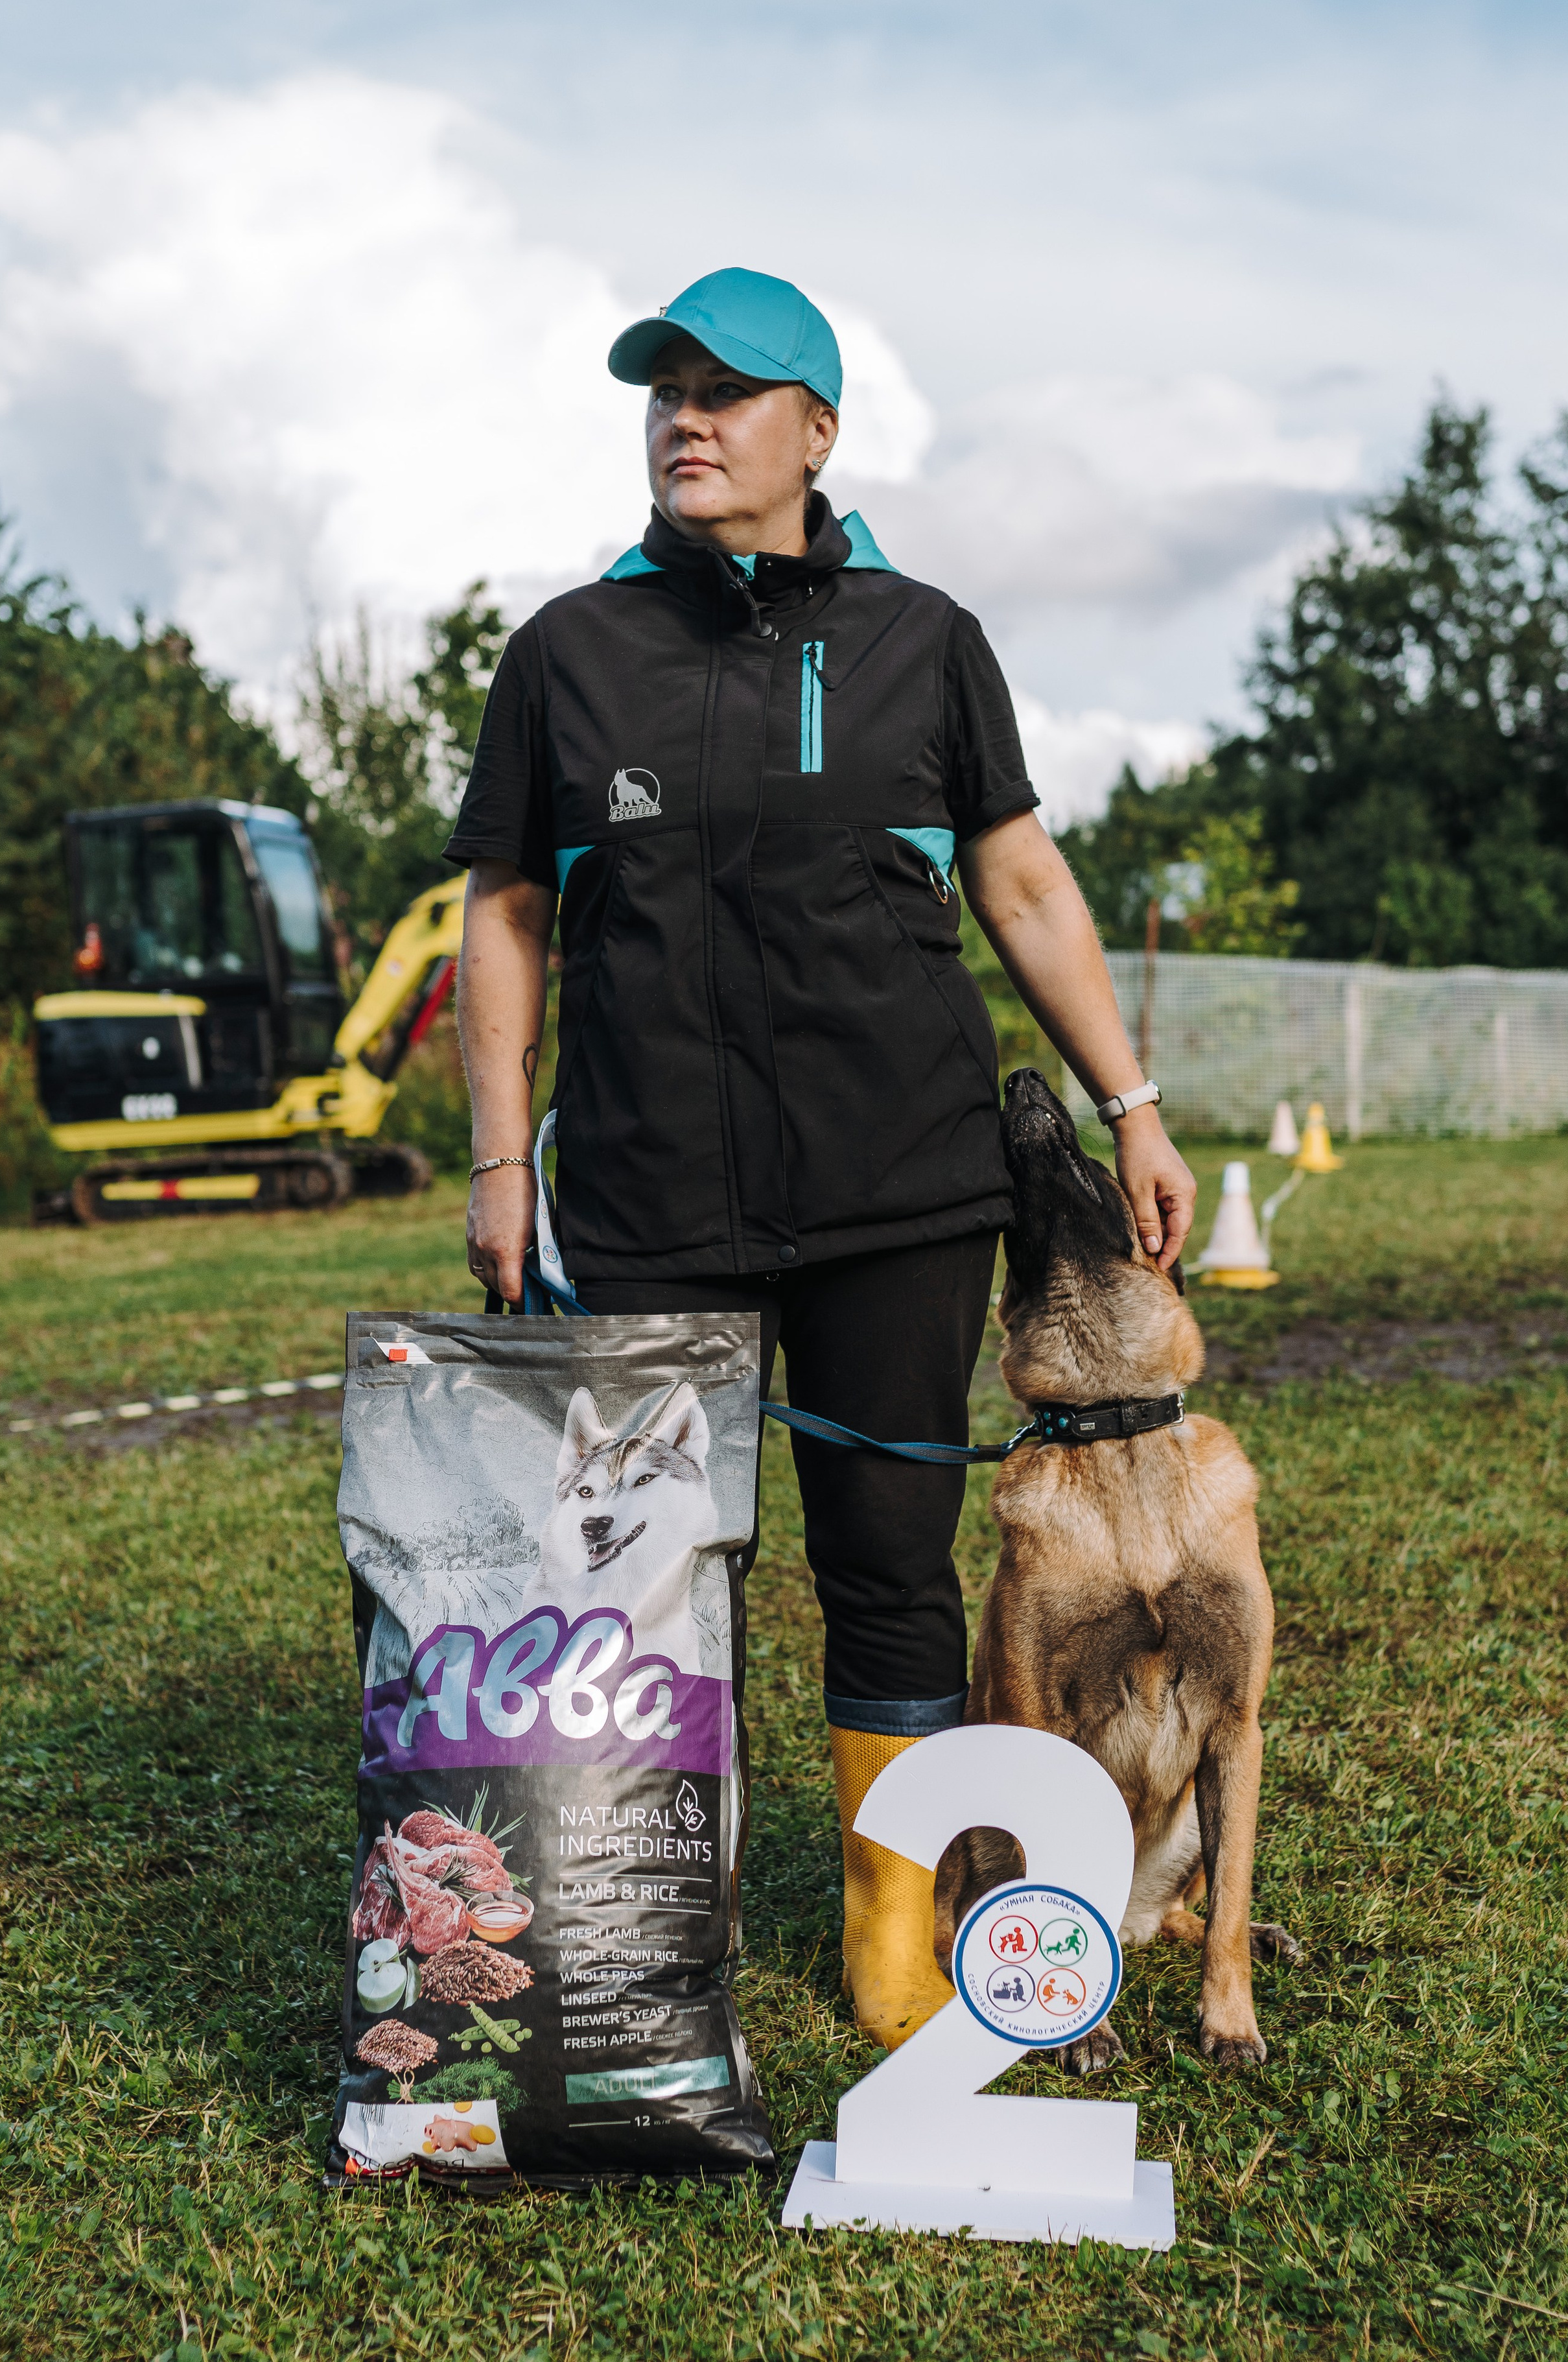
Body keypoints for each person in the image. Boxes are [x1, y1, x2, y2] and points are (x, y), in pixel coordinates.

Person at [444, 268, 1196, 2049]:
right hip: (640, 1193)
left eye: (726, 391)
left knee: (888, 1552)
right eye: (663, 392)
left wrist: (1133, 1105)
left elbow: (1018, 879)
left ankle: (889, 1912)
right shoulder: (570, 651)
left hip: (899, 1191)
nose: (684, 418)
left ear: (819, 433)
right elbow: (506, 911)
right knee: (643, 1573)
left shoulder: (920, 637)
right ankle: (647, 1913)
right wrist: (497, 1159)